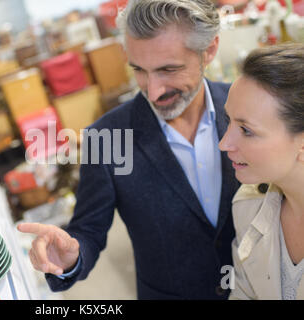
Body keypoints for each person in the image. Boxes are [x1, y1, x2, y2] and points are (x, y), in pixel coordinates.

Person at [17, 0, 240, 299]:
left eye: (168, 69)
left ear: (209, 50)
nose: (153, 90)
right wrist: (70, 257)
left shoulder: (244, 110)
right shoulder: (108, 138)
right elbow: (88, 230)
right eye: (139, 70)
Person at [219, 43, 304, 300]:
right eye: (228, 121)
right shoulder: (247, 206)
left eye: (246, 130)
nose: (224, 144)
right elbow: (243, 292)